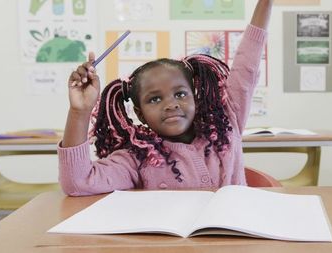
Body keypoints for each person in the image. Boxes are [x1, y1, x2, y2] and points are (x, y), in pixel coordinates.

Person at [59, 0, 273, 196]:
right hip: (174, 240)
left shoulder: (227, 124)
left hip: (235, 237)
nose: (171, 104)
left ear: (196, 97)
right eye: (154, 99)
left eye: (180, 94)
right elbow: (79, 183)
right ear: (140, 114)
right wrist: (80, 112)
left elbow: (248, 63)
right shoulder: (137, 158)